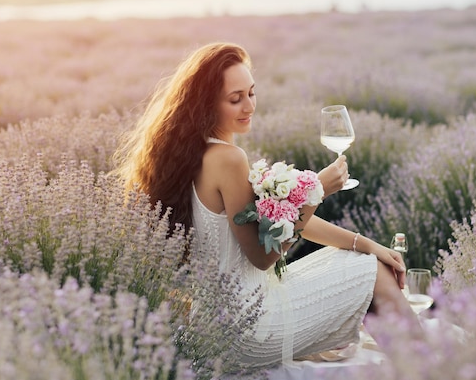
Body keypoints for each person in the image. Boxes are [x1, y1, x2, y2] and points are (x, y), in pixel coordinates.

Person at [113, 42, 419, 369]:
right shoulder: (228, 160)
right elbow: (262, 257)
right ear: (206, 105)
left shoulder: (190, 155)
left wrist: (367, 244)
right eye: (235, 98)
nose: (249, 106)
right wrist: (315, 192)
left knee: (365, 259)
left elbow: (273, 224)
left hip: (216, 325)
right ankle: (434, 364)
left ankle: (412, 362)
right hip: (247, 328)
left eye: (251, 93)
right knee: (372, 271)